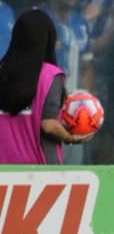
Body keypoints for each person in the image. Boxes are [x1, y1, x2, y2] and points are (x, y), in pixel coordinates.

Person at [0, 9, 93, 164]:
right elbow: (48, 125)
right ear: (48, 39)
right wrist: (70, 138)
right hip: (40, 170)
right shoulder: (50, 75)